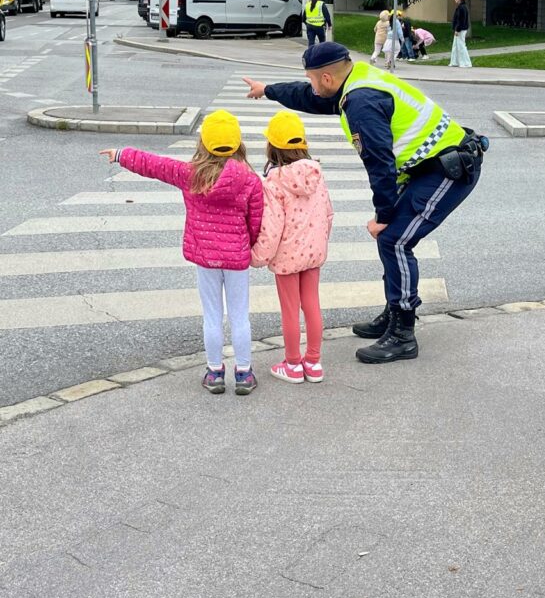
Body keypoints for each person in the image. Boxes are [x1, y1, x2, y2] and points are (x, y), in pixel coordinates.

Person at [243, 42, 486, 367]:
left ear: (327, 78)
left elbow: (380, 164)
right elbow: (308, 97)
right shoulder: (355, 79)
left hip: (448, 169)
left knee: (395, 239)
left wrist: (383, 216)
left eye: (313, 80)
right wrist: (268, 90)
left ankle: (402, 333)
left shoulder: (361, 102)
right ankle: (393, 311)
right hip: (427, 166)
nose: (313, 86)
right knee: (391, 240)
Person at [99, 110, 263, 396]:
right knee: (239, 316)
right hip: (237, 258)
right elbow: (256, 219)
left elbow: (155, 165)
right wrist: (247, 243)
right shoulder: (249, 180)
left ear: (203, 144)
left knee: (211, 315)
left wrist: (122, 154)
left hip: (205, 257)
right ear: (238, 144)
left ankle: (214, 372)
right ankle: (244, 373)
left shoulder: (190, 175)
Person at [251, 112, 333, 384]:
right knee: (312, 305)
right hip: (313, 253)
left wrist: (258, 256)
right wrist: (320, 243)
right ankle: (314, 361)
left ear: (272, 146)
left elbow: (272, 226)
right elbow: (327, 213)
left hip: (287, 256)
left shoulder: (274, 181)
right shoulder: (316, 173)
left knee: (289, 309)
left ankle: (293, 364)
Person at [450, 0, 472, 67]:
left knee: (461, 46)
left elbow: (460, 20)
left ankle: (465, 63)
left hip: (460, 29)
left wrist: (457, 29)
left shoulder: (461, 8)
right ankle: (455, 62)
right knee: (456, 46)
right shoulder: (462, 7)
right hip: (461, 29)